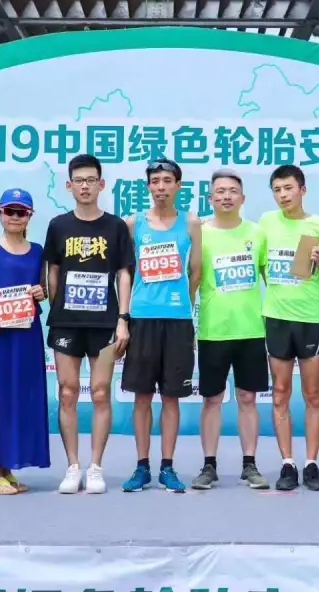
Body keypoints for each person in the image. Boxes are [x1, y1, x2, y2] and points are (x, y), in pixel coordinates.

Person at [44, 154, 134, 495]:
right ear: (69, 186)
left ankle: (96, 467)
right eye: (79, 180)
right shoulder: (58, 226)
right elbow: (52, 272)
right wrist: (58, 309)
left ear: (101, 184)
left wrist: (123, 319)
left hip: (105, 323)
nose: (85, 186)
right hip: (67, 323)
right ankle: (72, 467)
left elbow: (123, 274)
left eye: (91, 180)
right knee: (67, 392)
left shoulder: (115, 227)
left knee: (99, 392)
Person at [121, 158, 201, 493]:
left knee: (171, 397)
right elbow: (125, 272)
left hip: (178, 321)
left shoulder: (191, 222)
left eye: (167, 181)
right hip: (142, 318)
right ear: (148, 187)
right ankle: (142, 466)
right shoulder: (134, 223)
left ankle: (168, 467)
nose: (161, 187)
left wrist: (182, 302)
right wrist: (124, 317)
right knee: (142, 397)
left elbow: (196, 271)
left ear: (178, 186)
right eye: (155, 181)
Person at [190, 168, 271, 491]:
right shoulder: (200, 233)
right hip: (213, 331)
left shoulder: (258, 233)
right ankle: (209, 465)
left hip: (251, 331)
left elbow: (271, 279)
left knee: (248, 398)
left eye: (232, 191)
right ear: (210, 198)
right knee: (212, 399)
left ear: (243, 198)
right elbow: (192, 279)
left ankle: (250, 465)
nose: (226, 196)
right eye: (220, 191)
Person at [259, 164, 319, 492]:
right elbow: (261, 266)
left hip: (309, 320)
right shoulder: (266, 223)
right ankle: (288, 463)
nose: (283, 195)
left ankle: (311, 463)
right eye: (277, 190)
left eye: (288, 188)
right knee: (280, 393)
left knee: (312, 394)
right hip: (276, 319)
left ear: (302, 190)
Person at [0, 188, 51, 494]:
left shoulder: (38, 251)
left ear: (30, 216)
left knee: (22, 398)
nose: (15, 217)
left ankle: (8, 467)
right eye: (9, 211)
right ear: (0, 213)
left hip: (28, 335)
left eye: (21, 212)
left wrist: (41, 292)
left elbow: (43, 289)